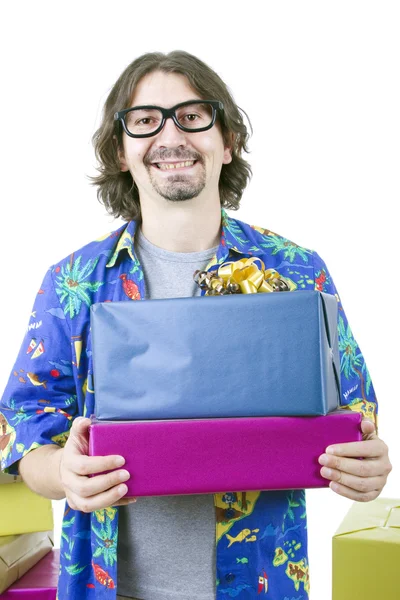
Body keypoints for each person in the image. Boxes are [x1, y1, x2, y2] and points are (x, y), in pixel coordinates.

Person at [0, 50, 392, 600]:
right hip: (112, 587)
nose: (170, 135)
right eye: (145, 120)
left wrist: (368, 467)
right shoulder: (75, 282)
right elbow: (23, 425)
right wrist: (62, 473)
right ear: (121, 151)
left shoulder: (298, 272)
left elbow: (355, 415)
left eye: (192, 115)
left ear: (226, 140)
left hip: (259, 584)